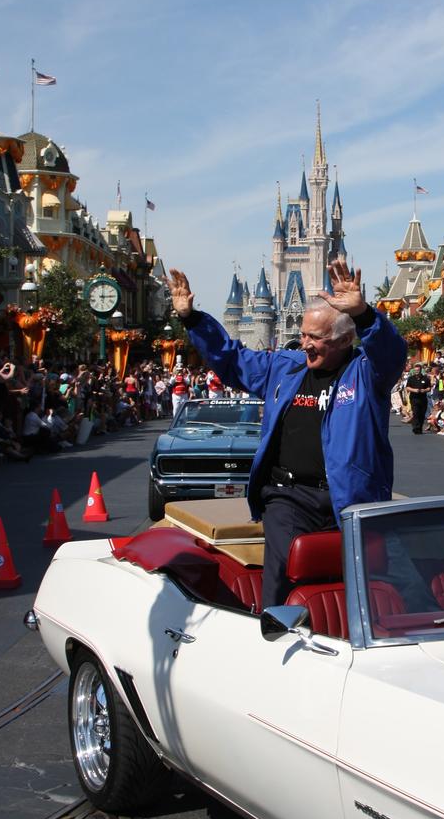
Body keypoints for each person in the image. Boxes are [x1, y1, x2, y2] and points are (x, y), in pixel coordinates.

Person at [168, 259, 407, 608]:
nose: (305, 343)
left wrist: (365, 315)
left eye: (316, 337)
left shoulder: (367, 375)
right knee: (283, 572)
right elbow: (233, 360)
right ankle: (272, 631)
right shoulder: (285, 367)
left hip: (353, 498)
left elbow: (392, 353)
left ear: (343, 339)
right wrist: (192, 319)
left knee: (368, 582)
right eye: (304, 334)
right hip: (291, 495)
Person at [406, 362, 431, 434]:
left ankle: (420, 428)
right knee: (416, 413)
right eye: (415, 370)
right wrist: (414, 390)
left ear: (421, 370)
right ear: (414, 370)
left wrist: (424, 390)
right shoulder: (411, 378)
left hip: (423, 398)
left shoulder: (425, 378)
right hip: (414, 398)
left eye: (418, 370)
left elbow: (429, 388)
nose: (417, 372)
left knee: (422, 414)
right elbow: (407, 387)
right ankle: (415, 428)